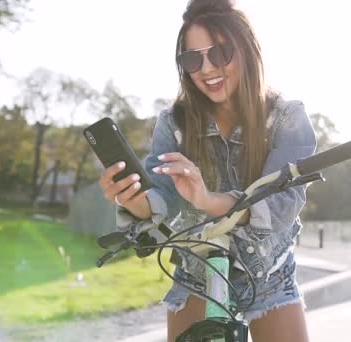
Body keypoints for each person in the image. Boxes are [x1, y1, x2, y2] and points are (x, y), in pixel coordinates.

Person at [98, 0, 316, 341]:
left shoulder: (286, 118)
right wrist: (134, 200)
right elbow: (163, 195)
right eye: (191, 58)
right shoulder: (174, 123)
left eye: (219, 53)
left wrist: (207, 199)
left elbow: (281, 204)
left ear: (245, 50)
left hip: (270, 275)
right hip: (197, 272)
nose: (206, 68)